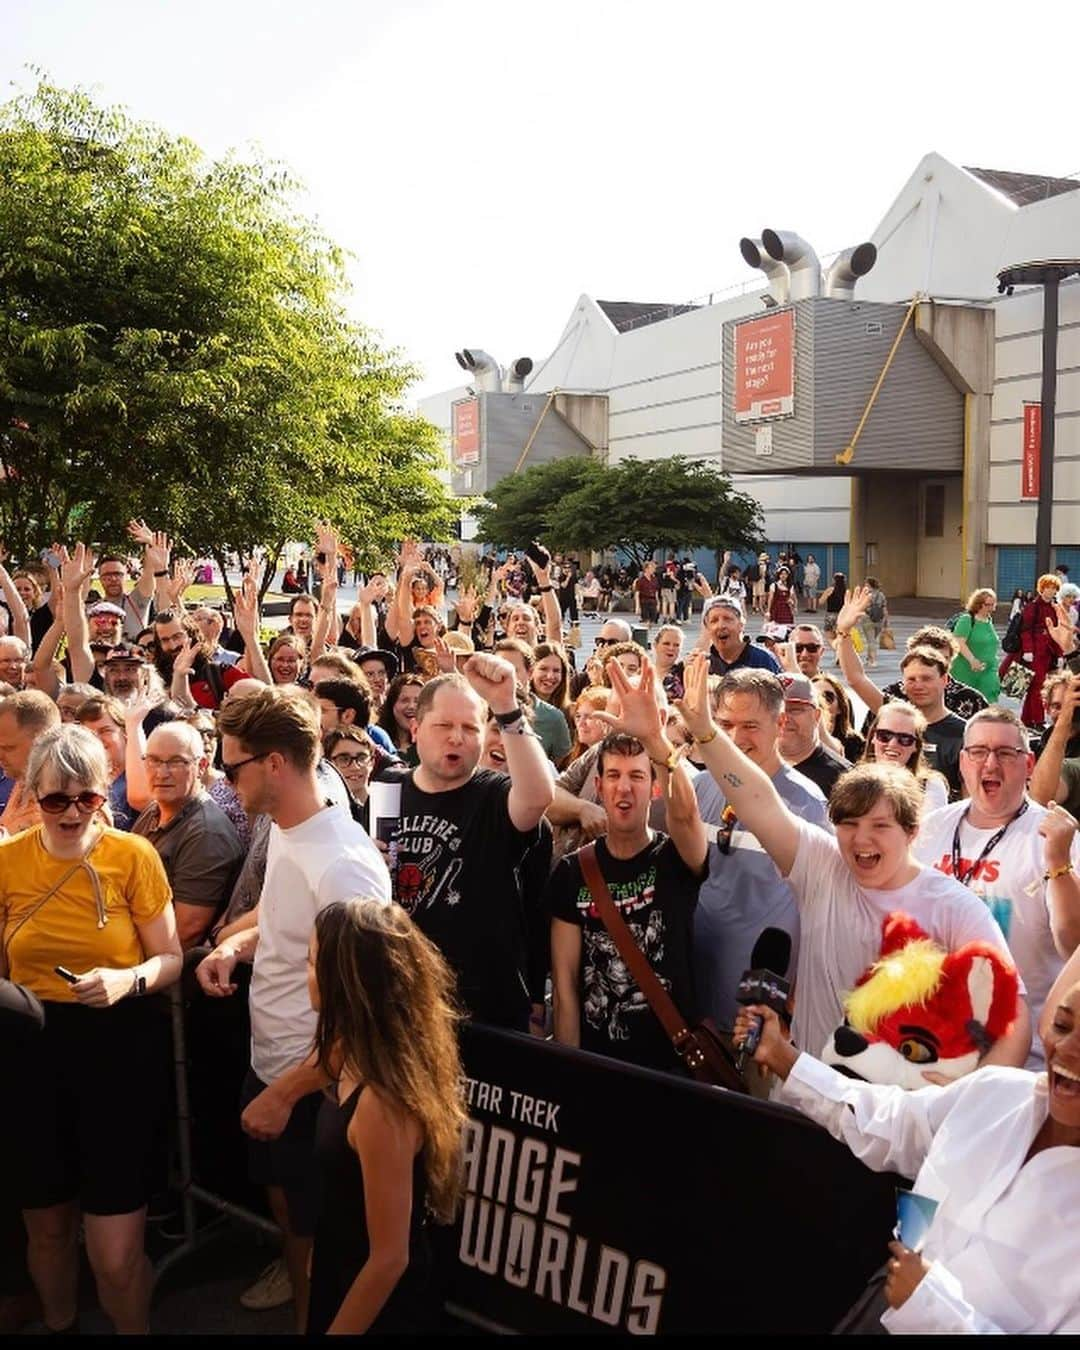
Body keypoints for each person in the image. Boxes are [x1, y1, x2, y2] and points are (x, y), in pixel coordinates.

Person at [675, 650, 1031, 1066]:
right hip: (811, 1093)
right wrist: (703, 731)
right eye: (849, 824)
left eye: (880, 826)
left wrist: (968, 1109)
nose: (861, 840)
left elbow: (1012, 1016)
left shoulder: (953, 906)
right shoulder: (821, 866)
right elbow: (757, 798)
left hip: (896, 1114)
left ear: (912, 832)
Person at [194, 686, 390, 1330]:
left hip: (315, 1088)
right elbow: (282, 922)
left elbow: (366, 1015)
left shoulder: (343, 866)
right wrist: (241, 946)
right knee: (292, 1227)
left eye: (231, 767)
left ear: (274, 764)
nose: (224, 779)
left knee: (319, 1244)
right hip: (273, 1065)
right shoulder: (286, 827)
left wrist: (287, 1093)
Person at [734, 978, 1080, 1334]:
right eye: (1062, 1025)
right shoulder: (997, 1092)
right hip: (877, 1310)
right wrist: (783, 1056)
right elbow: (892, 1122)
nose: (1067, 1048)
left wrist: (931, 1307)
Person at [0, 724, 182, 1334]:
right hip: (30, 1058)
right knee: (48, 1230)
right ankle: (60, 1326)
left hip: (114, 1054)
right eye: (56, 800)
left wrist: (126, 980)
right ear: (33, 796)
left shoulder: (133, 856)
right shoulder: (8, 863)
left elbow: (171, 958)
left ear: (105, 795)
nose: (73, 812)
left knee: (115, 1252)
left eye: (89, 798)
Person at [305, 899, 465, 1334]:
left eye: (312, 960)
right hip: (343, 1275)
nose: (306, 972)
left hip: (377, 1307)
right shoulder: (351, 1054)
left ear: (345, 981)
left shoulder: (382, 1104)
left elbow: (390, 1259)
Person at [546, 658, 708, 1072]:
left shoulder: (675, 858)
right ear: (597, 787)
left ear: (653, 787)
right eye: (613, 775)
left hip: (670, 1068)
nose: (623, 787)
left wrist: (656, 740)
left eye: (636, 777)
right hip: (599, 1065)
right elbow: (565, 986)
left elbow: (687, 817)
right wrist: (571, 1069)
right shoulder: (572, 872)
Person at [388, 659, 553, 1032]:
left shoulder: (494, 795)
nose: (456, 738)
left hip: (482, 1013)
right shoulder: (388, 787)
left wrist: (506, 706)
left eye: (469, 728)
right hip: (403, 1005)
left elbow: (539, 796)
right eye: (444, 725)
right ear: (415, 729)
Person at [914, 707, 1080, 1067]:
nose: (990, 763)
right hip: (935, 1048)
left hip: (1023, 1056)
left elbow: (1074, 946)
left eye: (1006, 753)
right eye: (979, 752)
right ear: (962, 761)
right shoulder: (930, 829)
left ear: (1029, 764)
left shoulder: (1055, 837)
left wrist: (1059, 864)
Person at [692, 669, 828, 1039]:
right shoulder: (699, 787)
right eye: (725, 724)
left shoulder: (807, 803)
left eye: (750, 725)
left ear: (780, 723)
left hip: (758, 1009)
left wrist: (795, 1003)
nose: (737, 738)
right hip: (693, 993)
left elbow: (820, 908)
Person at [130, 721, 245, 949]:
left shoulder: (207, 833)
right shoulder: (155, 810)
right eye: (153, 760)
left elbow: (186, 931)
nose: (161, 773)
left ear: (202, 766)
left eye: (176, 762)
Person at [861, 700, 949, 815]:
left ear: (916, 746)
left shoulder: (930, 786)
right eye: (885, 735)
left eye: (904, 739)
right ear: (873, 737)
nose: (892, 744)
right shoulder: (853, 782)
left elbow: (932, 831)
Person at [776, 673, 851, 798]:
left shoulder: (843, 781)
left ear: (816, 716)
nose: (784, 718)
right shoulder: (750, 768)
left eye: (794, 710)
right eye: (777, 710)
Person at [0, 689, 61, 836]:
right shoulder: (23, 779)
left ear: (42, 740)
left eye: (8, 748)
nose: (0, 756)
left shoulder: (71, 807)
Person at [1019, 574, 1064, 728]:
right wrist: (1028, 650)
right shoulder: (1032, 606)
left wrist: (1059, 653)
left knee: (1036, 686)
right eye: (1048, 588)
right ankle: (1038, 720)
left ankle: (1026, 719)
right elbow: (1025, 630)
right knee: (1038, 685)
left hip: (1048, 652)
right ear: (1041, 589)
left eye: (1054, 588)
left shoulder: (1054, 607)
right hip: (1035, 652)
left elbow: (1057, 631)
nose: (1051, 591)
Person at [700, 596, 781, 677]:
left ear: (741, 624)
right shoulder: (704, 665)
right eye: (714, 621)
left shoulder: (763, 660)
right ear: (708, 629)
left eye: (727, 619)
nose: (721, 626)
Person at [950, 588, 1001, 703]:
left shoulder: (988, 620)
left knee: (990, 701)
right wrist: (972, 660)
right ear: (978, 604)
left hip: (988, 670)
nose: (992, 609)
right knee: (965, 703)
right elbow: (958, 642)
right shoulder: (967, 619)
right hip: (966, 670)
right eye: (988, 605)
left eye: (994, 605)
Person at [812, 671, 864, 762]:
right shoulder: (797, 739)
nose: (821, 703)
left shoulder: (854, 743)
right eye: (814, 697)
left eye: (828, 697)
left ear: (840, 707)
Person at [376, 673, 424, 764]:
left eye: (417, 701)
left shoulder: (433, 746)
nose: (411, 706)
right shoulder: (378, 742)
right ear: (392, 705)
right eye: (405, 700)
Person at [633, 560, 660, 628]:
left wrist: (658, 602)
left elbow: (656, 591)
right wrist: (637, 606)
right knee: (646, 620)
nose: (653, 570)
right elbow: (637, 593)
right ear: (646, 569)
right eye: (652, 568)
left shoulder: (655, 579)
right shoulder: (640, 580)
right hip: (644, 601)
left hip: (653, 601)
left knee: (653, 621)